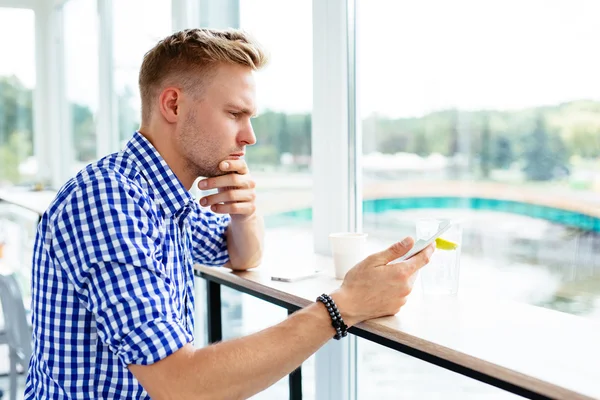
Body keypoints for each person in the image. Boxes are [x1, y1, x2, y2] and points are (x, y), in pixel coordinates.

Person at [24, 28, 435, 399]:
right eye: (235, 114)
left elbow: (242, 256)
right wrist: (343, 306)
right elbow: (179, 385)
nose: (250, 136)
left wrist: (244, 213)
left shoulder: (163, 199)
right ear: (173, 104)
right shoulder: (109, 199)